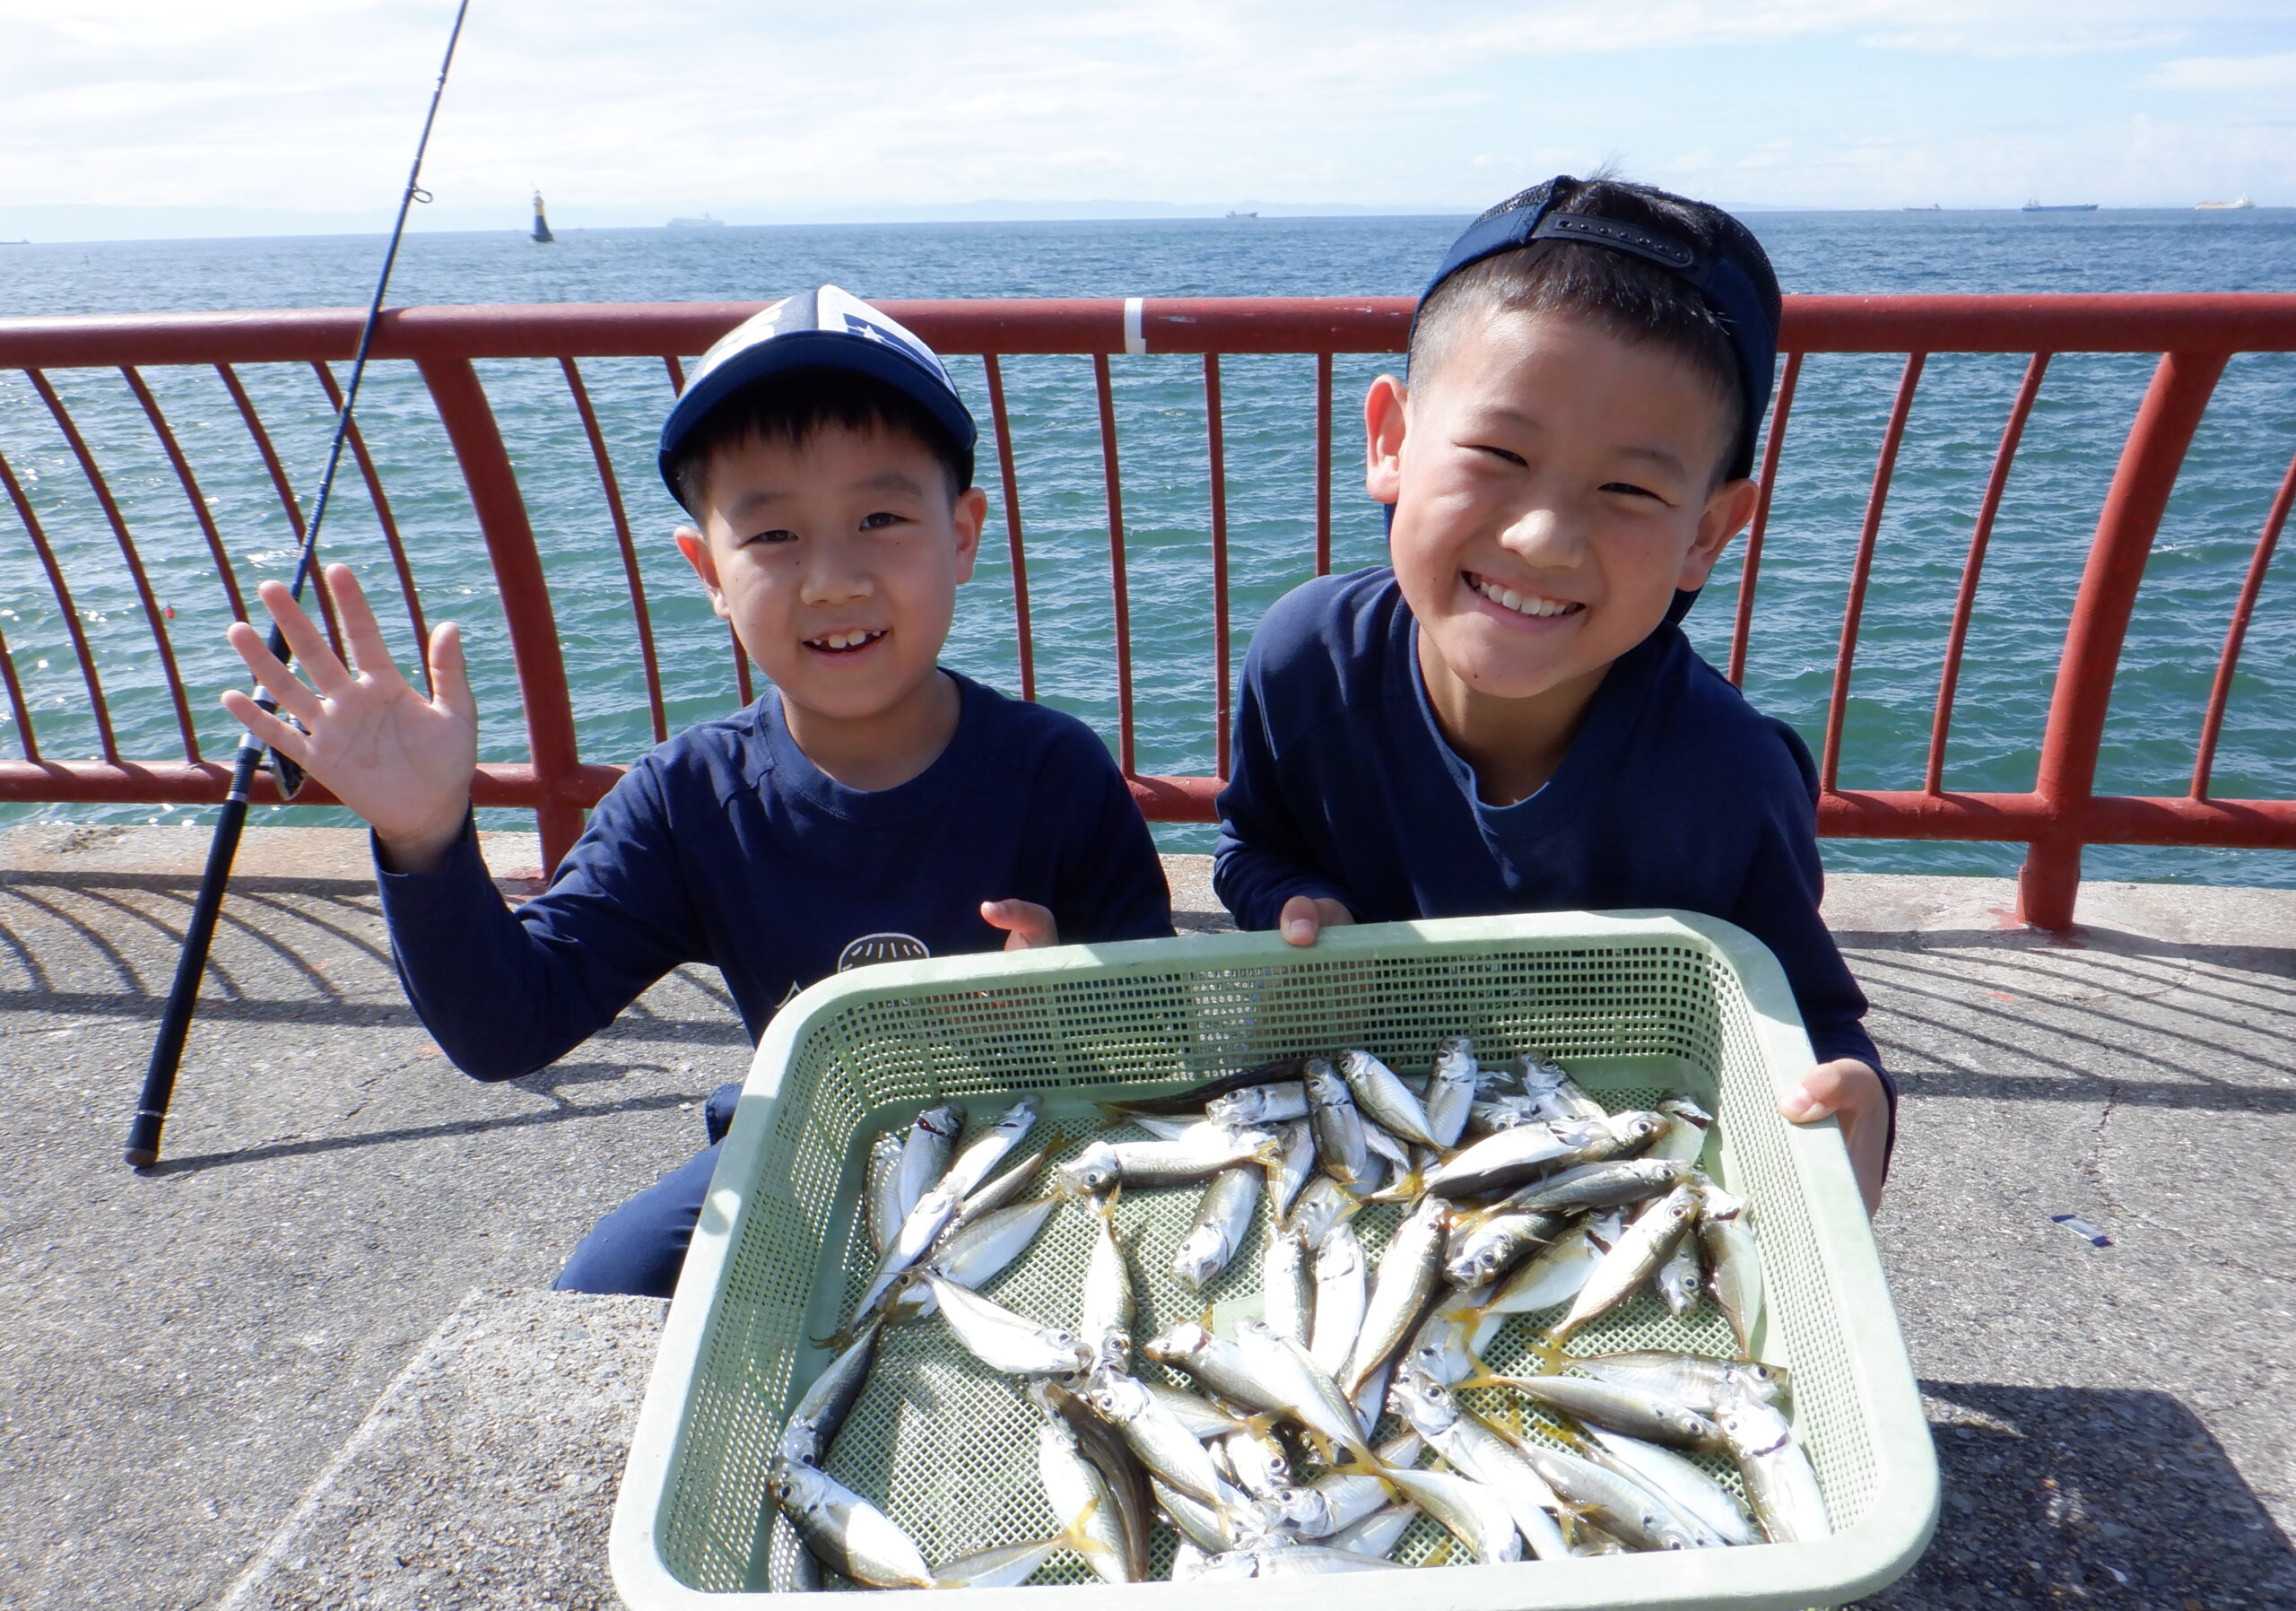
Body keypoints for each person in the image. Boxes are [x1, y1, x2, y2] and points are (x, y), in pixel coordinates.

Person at [222, 286, 1174, 1294]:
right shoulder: (686, 800)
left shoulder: (1055, 769)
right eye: (772, 537)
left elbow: (1164, 1036)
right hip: (810, 1141)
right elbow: (510, 1026)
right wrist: (424, 839)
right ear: (706, 570)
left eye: (881, 517)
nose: (831, 579)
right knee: (605, 1284)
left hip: (1039, 1133)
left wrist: (1068, 994)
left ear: (963, 533)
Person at [1212, 177, 1895, 1211]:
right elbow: (1250, 846)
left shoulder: (1726, 776)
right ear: (1390, 442)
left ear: (1707, 531)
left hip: (1590, 1171)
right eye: (1496, 454)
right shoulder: (1304, 658)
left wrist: (1855, 1099)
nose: (1542, 538)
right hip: (1346, 1135)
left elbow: (1801, 1014)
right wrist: (1290, 900)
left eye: (1627, 491)